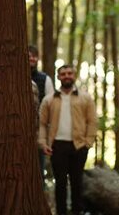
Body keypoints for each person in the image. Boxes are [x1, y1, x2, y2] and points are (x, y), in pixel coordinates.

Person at [38, 64, 97, 215]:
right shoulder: (49, 99)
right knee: (60, 184)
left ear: (74, 75)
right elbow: (43, 124)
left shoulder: (85, 97)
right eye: (63, 74)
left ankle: (77, 212)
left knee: (77, 184)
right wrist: (43, 143)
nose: (67, 76)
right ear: (58, 77)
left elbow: (92, 121)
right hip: (57, 146)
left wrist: (88, 143)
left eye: (69, 73)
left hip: (79, 146)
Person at [29, 44, 55, 186]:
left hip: (39, 130)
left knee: (39, 167)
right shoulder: (14, 77)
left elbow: (50, 105)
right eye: (28, 55)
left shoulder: (45, 79)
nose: (31, 58)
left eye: (34, 55)